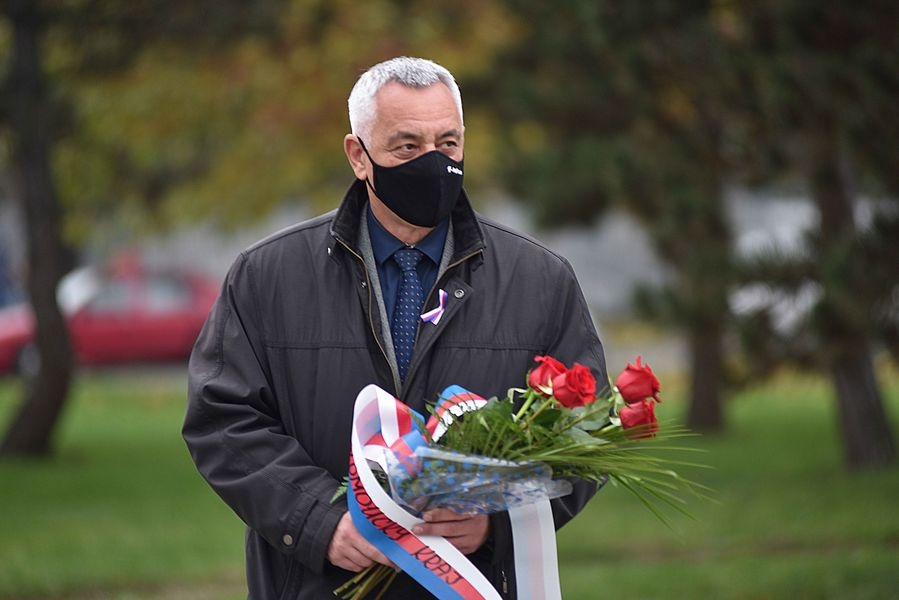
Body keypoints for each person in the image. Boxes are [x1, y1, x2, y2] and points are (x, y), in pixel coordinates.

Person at [183, 56, 607, 599]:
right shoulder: (268, 276)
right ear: (358, 155)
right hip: (319, 583)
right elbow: (223, 421)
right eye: (407, 147)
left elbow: (585, 427)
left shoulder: (540, 280)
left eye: (448, 144)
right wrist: (319, 520)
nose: (433, 164)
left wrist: (497, 522)